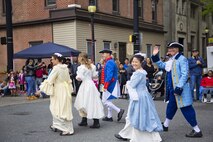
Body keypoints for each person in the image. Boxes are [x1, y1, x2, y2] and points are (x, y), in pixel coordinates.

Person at [151, 42, 203, 138]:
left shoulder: (182, 59)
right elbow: (162, 65)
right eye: (169, 48)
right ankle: (165, 125)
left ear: (177, 49)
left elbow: (184, 74)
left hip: (179, 89)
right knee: (171, 107)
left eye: (172, 48)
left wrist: (179, 87)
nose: (170, 50)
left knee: (186, 108)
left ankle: (197, 130)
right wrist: (155, 56)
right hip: (172, 89)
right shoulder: (171, 59)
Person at [115, 54, 163, 142]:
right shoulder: (141, 72)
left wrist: (128, 83)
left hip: (139, 96)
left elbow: (132, 85)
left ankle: (143, 137)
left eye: (136, 62)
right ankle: (125, 134)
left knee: (137, 116)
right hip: (142, 95)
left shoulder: (138, 73)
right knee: (135, 116)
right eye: (133, 61)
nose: (134, 63)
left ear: (141, 63)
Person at [40, 53, 74, 136]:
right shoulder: (65, 68)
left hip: (58, 90)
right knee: (63, 108)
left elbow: (50, 80)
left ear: (57, 60)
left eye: (52, 59)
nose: (51, 60)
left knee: (56, 108)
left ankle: (64, 129)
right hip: (65, 89)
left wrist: (41, 89)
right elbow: (69, 80)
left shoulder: (56, 68)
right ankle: (59, 126)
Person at [74, 53, 104, 128]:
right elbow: (95, 76)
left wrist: (77, 77)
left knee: (83, 102)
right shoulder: (92, 66)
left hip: (85, 85)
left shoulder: (81, 67)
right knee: (92, 102)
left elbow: (79, 78)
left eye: (78, 57)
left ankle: (85, 120)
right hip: (91, 85)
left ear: (81, 58)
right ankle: (95, 121)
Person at [99, 49, 125, 122]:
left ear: (108, 54)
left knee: (104, 100)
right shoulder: (109, 61)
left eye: (103, 53)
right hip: (111, 83)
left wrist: (105, 85)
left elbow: (109, 76)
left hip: (110, 84)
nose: (102, 55)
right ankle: (109, 116)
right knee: (108, 100)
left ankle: (119, 110)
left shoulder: (109, 62)